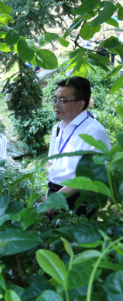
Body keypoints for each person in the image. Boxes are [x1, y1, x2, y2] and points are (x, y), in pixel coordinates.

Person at [46, 77, 110, 218]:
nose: (56, 105)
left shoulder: (94, 131)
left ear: (80, 104)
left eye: (62, 100)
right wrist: (49, 195)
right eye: (54, 99)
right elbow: (54, 166)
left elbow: (89, 175)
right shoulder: (58, 128)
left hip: (78, 199)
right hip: (54, 195)